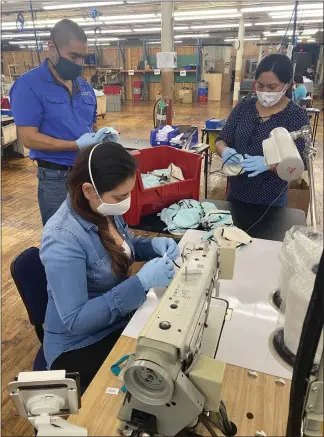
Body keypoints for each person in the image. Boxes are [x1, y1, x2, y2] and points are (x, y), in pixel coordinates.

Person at [40, 142, 179, 388]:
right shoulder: (62, 238)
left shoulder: (104, 208)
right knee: (155, 379)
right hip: (79, 342)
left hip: (115, 319)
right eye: (121, 196)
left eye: (129, 192)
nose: (127, 201)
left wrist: (153, 246)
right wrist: (140, 283)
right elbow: (76, 320)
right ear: (88, 190)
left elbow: (123, 246)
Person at [10, 19, 112, 226]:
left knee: (92, 228)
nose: (78, 63)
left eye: (82, 57)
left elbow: (91, 126)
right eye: (73, 56)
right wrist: (74, 145)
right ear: (51, 48)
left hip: (87, 172)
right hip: (55, 178)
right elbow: (28, 138)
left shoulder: (85, 87)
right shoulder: (28, 85)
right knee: (60, 234)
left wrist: (101, 140)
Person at [215, 54, 310, 207]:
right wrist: (225, 151)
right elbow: (221, 140)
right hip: (236, 193)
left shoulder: (295, 116)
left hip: (271, 200)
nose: (265, 91)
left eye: (272, 87)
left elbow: (300, 165)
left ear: (287, 84)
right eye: (260, 85)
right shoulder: (244, 106)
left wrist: (268, 164)